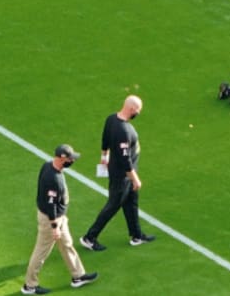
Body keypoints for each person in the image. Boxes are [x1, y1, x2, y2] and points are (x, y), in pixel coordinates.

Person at [79, 95, 156, 250]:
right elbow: (125, 159)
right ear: (132, 109)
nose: (138, 114)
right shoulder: (123, 130)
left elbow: (105, 139)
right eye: (138, 110)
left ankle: (136, 235)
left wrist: (104, 156)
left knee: (131, 203)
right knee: (113, 205)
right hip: (123, 176)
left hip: (120, 172)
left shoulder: (112, 119)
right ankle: (90, 237)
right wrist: (135, 179)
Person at [22, 144, 98, 294]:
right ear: (62, 158)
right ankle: (29, 285)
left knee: (67, 244)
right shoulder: (53, 178)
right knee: (41, 252)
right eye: (70, 159)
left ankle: (78, 276)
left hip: (58, 218)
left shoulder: (47, 166)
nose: (72, 161)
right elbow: (50, 205)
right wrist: (55, 227)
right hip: (51, 220)